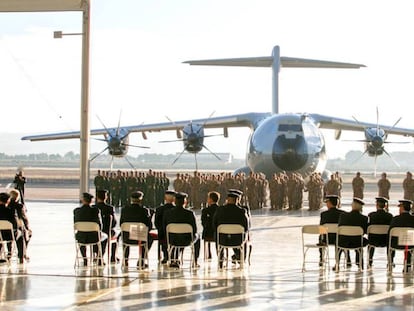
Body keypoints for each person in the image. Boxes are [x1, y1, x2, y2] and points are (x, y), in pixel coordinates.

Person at [163, 192, 200, 268]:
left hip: (172, 239)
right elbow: (194, 230)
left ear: (174, 201)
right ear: (185, 202)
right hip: (186, 240)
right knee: (197, 236)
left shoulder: (167, 213)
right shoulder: (189, 213)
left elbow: (164, 227)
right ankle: (195, 260)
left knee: (175, 238)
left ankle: (174, 259)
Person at [213, 191, 249, 267]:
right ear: (237, 201)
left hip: (222, 239)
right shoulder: (242, 211)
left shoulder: (220, 210)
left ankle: (220, 259)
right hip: (238, 240)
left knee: (217, 233)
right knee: (245, 236)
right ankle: (240, 257)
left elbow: (214, 224)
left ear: (227, 200)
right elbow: (246, 227)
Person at [120, 191, 153, 268]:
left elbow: (121, 224)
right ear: (141, 200)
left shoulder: (125, 210)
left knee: (125, 233)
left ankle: (126, 258)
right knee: (150, 238)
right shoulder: (144, 211)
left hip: (127, 239)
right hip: (140, 238)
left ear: (131, 199)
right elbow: (149, 226)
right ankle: (141, 259)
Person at [73, 192, 104, 266]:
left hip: (81, 237)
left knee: (82, 237)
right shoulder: (95, 211)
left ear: (83, 200)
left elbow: (75, 223)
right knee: (102, 236)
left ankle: (84, 258)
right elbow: (100, 226)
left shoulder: (77, 211)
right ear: (91, 201)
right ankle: (98, 256)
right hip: (94, 238)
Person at [338, 198, 368, 269]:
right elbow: (365, 231)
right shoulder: (364, 218)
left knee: (342, 238)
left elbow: (339, 228)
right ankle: (359, 262)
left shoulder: (343, 216)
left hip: (343, 242)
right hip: (357, 242)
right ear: (361, 207)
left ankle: (338, 263)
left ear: (352, 206)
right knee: (361, 240)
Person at [93, 189, 120, 264]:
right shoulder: (110, 208)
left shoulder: (93, 208)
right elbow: (114, 223)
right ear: (106, 198)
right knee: (117, 235)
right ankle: (113, 256)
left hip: (94, 232)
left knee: (96, 235)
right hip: (107, 231)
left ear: (97, 197)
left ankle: (96, 254)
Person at [388, 199, 414, 272]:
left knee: (391, 239)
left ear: (402, 208)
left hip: (396, 244)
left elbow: (390, 232)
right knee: (409, 239)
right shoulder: (413, 219)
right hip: (410, 245)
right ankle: (407, 264)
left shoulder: (395, 219)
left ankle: (391, 260)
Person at [319, 194, 345, 266]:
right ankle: (344, 259)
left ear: (330, 203)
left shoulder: (324, 214)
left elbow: (321, 228)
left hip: (327, 239)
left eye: (327, 202)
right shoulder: (343, 213)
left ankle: (321, 258)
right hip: (339, 239)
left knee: (320, 236)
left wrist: (322, 237)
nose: (326, 204)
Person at [367, 197, 393, 268]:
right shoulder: (389, 216)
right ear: (385, 206)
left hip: (373, 241)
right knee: (391, 241)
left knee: (370, 241)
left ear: (377, 205)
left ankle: (370, 260)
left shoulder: (371, 215)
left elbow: (368, 228)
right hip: (385, 241)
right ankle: (390, 261)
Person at [0, 192, 25, 264]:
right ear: (8, 201)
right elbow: (15, 225)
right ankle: (21, 257)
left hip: (0, 235)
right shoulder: (11, 211)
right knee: (21, 235)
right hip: (10, 235)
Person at [8, 189, 31, 262]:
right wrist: (28, 228)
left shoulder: (6, 206)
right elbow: (24, 218)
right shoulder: (19, 206)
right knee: (25, 234)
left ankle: (9, 252)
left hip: (4, 232)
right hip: (15, 230)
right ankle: (22, 254)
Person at [154, 190, 176, 264]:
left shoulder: (159, 209)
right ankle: (174, 255)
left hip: (162, 235)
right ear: (174, 199)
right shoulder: (176, 210)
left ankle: (166, 255)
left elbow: (156, 223)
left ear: (165, 198)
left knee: (163, 234)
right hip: (176, 236)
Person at [201, 191, 220, 259]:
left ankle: (208, 253)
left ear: (211, 199)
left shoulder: (205, 210)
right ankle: (220, 255)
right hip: (219, 233)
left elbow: (203, 223)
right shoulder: (221, 210)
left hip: (208, 233)